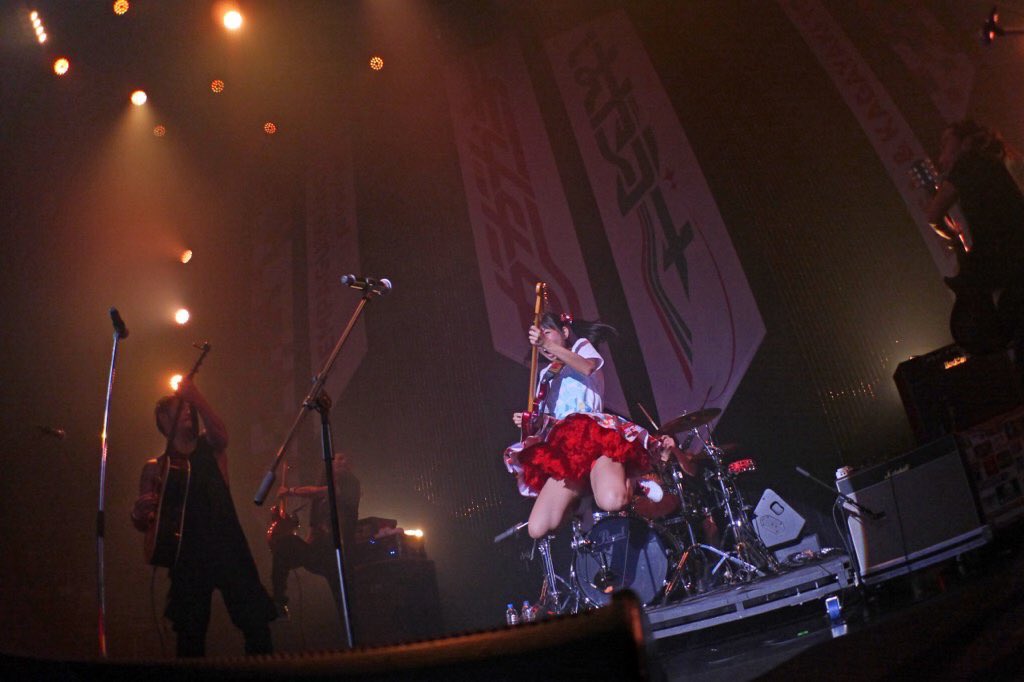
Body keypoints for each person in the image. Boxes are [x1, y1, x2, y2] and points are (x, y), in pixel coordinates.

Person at [131, 378, 277, 657]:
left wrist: (196, 397)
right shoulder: (156, 467)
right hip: (187, 554)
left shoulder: (209, 446)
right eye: (181, 408)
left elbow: (222, 436)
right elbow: (144, 524)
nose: (189, 411)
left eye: (189, 408)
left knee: (255, 623)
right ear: (164, 419)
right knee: (190, 632)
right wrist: (137, 513)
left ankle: (264, 673)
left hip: (227, 543)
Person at [505, 312, 662, 539]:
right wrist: (533, 421)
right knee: (537, 528)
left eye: (547, 332)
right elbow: (550, 420)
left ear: (564, 332)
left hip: (595, 437)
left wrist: (547, 344)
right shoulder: (545, 374)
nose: (542, 342)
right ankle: (581, 502)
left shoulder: (581, 347)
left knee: (612, 501)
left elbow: (588, 368)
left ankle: (634, 483)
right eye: (539, 339)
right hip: (566, 449)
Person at [926, 119, 1024, 357]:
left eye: (946, 143)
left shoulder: (968, 162)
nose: (941, 155)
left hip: (1006, 256)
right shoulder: (995, 163)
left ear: (964, 142)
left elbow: (933, 215)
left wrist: (952, 236)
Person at [268, 453, 361, 617]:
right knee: (284, 544)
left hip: (340, 553)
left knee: (346, 603)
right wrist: (294, 556)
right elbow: (313, 531)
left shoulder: (351, 482)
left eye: (345, 458)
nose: (343, 461)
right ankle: (279, 602)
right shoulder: (318, 502)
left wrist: (290, 491)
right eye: (338, 458)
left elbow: (325, 492)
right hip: (320, 553)